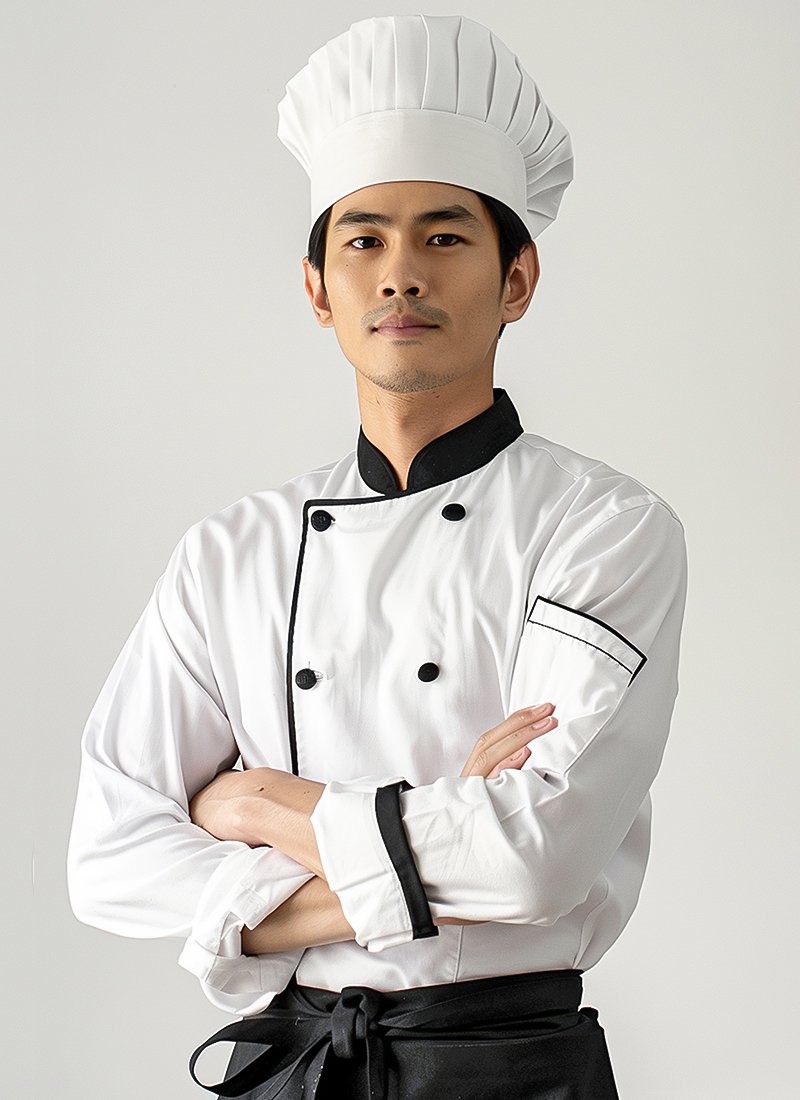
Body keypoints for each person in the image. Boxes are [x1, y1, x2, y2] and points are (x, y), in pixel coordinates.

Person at [67, 14, 688, 1099]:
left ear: (516, 279)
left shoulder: (602, 524)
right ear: (318, 289)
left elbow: (534, 859)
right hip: (295, 1063)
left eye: (443, 238)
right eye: (363, 241)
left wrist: (261, 806)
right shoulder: (231, 551)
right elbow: (109, 858)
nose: (400, 274)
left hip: (508, 1065)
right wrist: (444, 825)